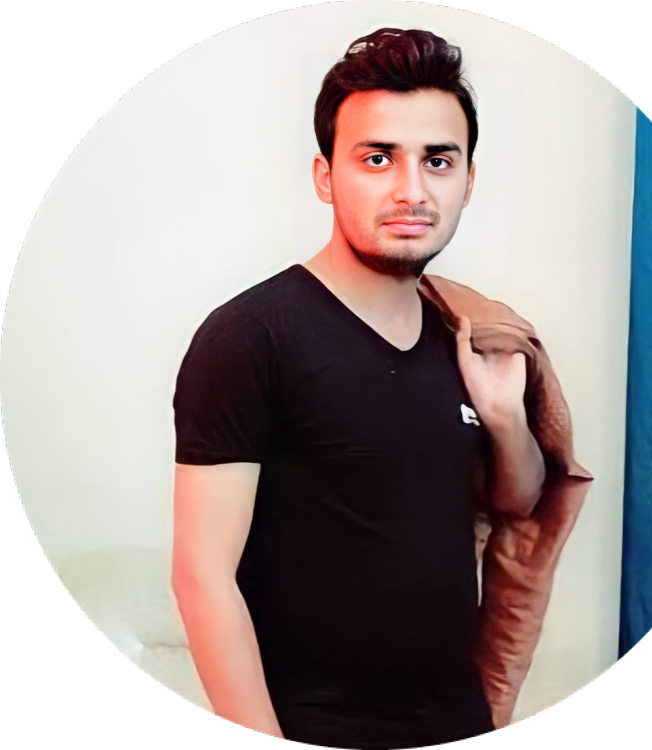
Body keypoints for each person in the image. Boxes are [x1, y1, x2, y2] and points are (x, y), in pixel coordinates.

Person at [171, 28, 547, 748]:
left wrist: (504, 420)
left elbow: (517, 503)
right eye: (378, 158)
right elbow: (201, 576)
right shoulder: (251, 336)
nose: (412, 190)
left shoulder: (466, 331)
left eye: (437, 160)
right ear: (325, 177)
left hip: (457, 715)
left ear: (468, 181)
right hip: (314, 724)